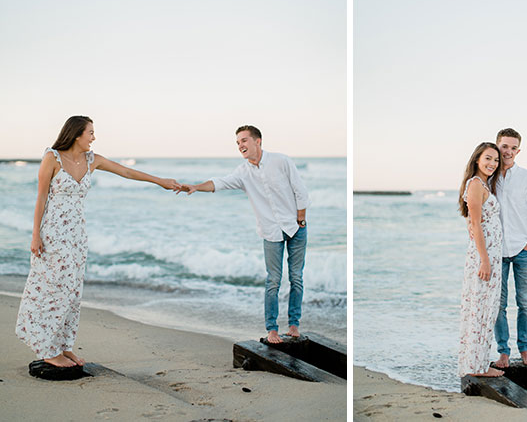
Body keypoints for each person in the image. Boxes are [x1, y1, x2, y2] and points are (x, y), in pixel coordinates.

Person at [16, 115, 181, 367]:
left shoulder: (93, 160)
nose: (94, 137)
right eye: (90, 132)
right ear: (76, 134)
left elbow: (126, 171)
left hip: (77, 236)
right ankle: (48, 349)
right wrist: (35, 234)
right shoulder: (52, 158)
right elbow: (40, 198)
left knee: (72, 290)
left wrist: (160, 182)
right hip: (53, 234)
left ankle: (64, 345)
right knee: (53, 289)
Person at [178, 125, 310, 344]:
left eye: (244, 140)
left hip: (296, 227)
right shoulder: (243, 172)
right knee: (273, 281)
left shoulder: (281, 161)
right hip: (270, 232)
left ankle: (294, 325)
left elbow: (300, 191)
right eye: (238, 142)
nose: (240, 145)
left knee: (296, 277)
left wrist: (301, 220)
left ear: (258, 141)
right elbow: (219, 183)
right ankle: (272, 329)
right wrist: (195, 186)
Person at [492, 128, 527, 368]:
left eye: (513, 147)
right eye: (505, 146)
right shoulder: (488, 177)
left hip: (523, 250)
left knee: (524, 302)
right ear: (497, 146)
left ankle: (524, 348)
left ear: (518, 150)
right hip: (496, 252)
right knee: (498, 305)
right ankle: (503, 351)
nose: (508, 151)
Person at [458, 142, 504, 378]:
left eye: (495, 160)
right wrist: (485, 261)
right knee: (481, 309)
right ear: (477, 159)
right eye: (488, 158)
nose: (492, 164)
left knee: (485, 308)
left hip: (490, 255)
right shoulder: (475, 185)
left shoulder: (483, 184)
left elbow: (475, 221)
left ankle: (475, 362)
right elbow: (475, 223)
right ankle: (478, 367)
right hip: (484, 257)